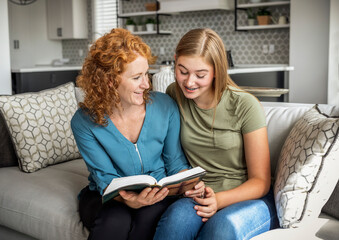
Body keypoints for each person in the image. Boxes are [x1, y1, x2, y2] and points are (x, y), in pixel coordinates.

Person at [70, 28, 204, 240]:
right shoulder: (84, 121)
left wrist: (188, 183)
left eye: (146, 74)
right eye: (136, 77)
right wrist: (128, 200)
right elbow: (105, 178)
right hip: (107, 196)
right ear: (110, 81)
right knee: (115, 222)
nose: (146, 84)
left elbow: (175, 162)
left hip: (158, 193)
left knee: (146, 219)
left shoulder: (164, 107)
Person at [154, 28, 279, 240]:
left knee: (221, 230)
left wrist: (218, 200)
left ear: (216, 72)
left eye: (200, 75)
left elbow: (260, 181)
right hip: (199, 194)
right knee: (174, 224)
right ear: (175, 61)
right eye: (182, 71)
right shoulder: (174, 94)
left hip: (249, 197)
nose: (189, 82)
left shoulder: (245, 105)